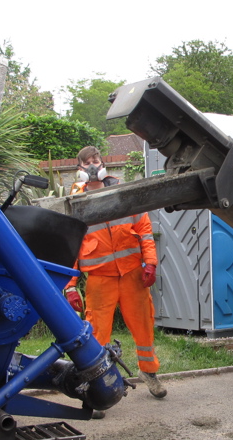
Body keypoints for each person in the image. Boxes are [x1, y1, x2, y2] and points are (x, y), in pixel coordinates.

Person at [64, 146, 167, 399]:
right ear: (80, 169)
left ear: (102, 163)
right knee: (97, 333)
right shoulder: (74, 203)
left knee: (143, 326)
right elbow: (69, 247)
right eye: (87, 162)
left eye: (95, 160)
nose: (92, 165)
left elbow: (144, 230)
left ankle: (149, 373)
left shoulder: (122, 193)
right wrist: (70, 285)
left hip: (133, 275)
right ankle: (99, 386)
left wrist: (150, 263)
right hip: (100, 279)